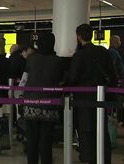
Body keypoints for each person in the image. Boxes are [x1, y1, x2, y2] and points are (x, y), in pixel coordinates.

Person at [68, 24, 117, 164]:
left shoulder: (80, 55)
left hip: (83, 100)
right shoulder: (103, 52)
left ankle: (90, 158)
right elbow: (112, 75)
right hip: (101, 98)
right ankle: (104, 159)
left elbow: (73, 78)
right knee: (102, 129)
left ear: (78, 36)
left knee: (86, 130)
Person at [22, 32, 64, 164]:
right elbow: (60, 79)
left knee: (32, 140)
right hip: (49, 104)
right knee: (46, 141)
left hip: (31, 103)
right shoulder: (57, 60)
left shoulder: (32, 58)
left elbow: (26, 76)